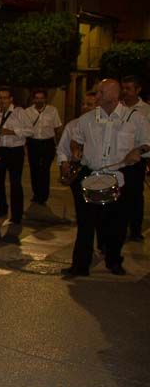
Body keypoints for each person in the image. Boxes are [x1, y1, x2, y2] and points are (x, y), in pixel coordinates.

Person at [58, 79, 150, 278]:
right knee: (85, 223)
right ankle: (80, 265)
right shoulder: (87, 119)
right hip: (91, 174)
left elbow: (147, 142)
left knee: (116, 224)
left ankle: (114, 260)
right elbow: (77, 139)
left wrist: (138, 150)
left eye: (100, 92)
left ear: (114, 95)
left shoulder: (136, 118)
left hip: (121, 176)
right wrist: (75, 150)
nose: (96, 96)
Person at [0, 87, 31, 226]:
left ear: (11, 99)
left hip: (15, 151)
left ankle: (16, 214)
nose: (2, 101)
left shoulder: (19, 112)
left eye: (5, 98)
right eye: (0, 98)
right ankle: (2, 208)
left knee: (15, 183)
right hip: (0, 150)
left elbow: (29, 130)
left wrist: (12, 131)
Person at [119, 76, 149, 240]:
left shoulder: (146, 110)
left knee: (135, 195)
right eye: (123, 88)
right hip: (118, 158)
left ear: (138, 90)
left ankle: (135, 229)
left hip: (137, 158)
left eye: (129, 88)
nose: (125, 92)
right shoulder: (118, 108)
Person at [23, 88, 63, 206]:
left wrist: (59, 145)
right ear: (33, 99)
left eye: (41, 98)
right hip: (33, 143)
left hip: (47, 143)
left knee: (45, 169)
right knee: (34, 169)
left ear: (45, 99)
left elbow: (57, 128)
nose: (39, 100)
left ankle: (43, 195)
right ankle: (36, 193)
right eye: (37, 98)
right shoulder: (27, 112)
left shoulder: (52, 110)